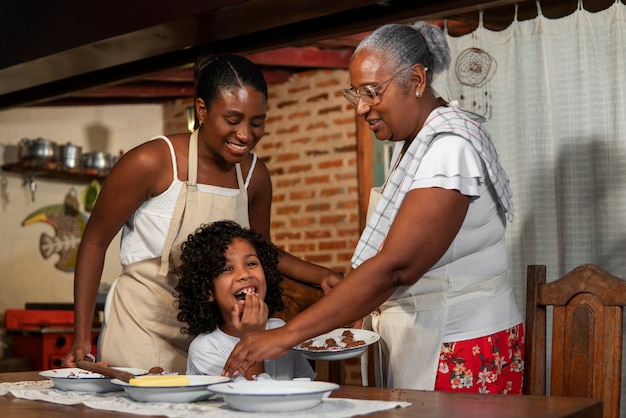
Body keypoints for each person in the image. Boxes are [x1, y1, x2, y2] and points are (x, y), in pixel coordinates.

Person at [223, 21, 524, 395]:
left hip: (460, 342)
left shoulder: (449, 147)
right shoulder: (412, 144)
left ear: (415, 81)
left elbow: (397, 266)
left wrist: (287, 335)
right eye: (356, 94)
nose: (362, 107)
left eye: (372, 92)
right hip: (427, 337)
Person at [62, 54, 338, 373]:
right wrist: (82, 336)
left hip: (215, 339)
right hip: (142, 331)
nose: (245, 135)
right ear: (202, 111)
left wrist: (323, 276)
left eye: (257, 122)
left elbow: (263, 251)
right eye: (232, 121)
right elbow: (94, 243)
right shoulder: (151, 162)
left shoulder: (254, 176)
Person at [176, 220, 316, 381]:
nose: (244, 274)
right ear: (208, 291)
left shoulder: (280, 331)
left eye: (251, 263)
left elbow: (307, 384)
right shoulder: (206, 349)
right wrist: (253, 338)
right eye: (228, 268)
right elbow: (253, 402)